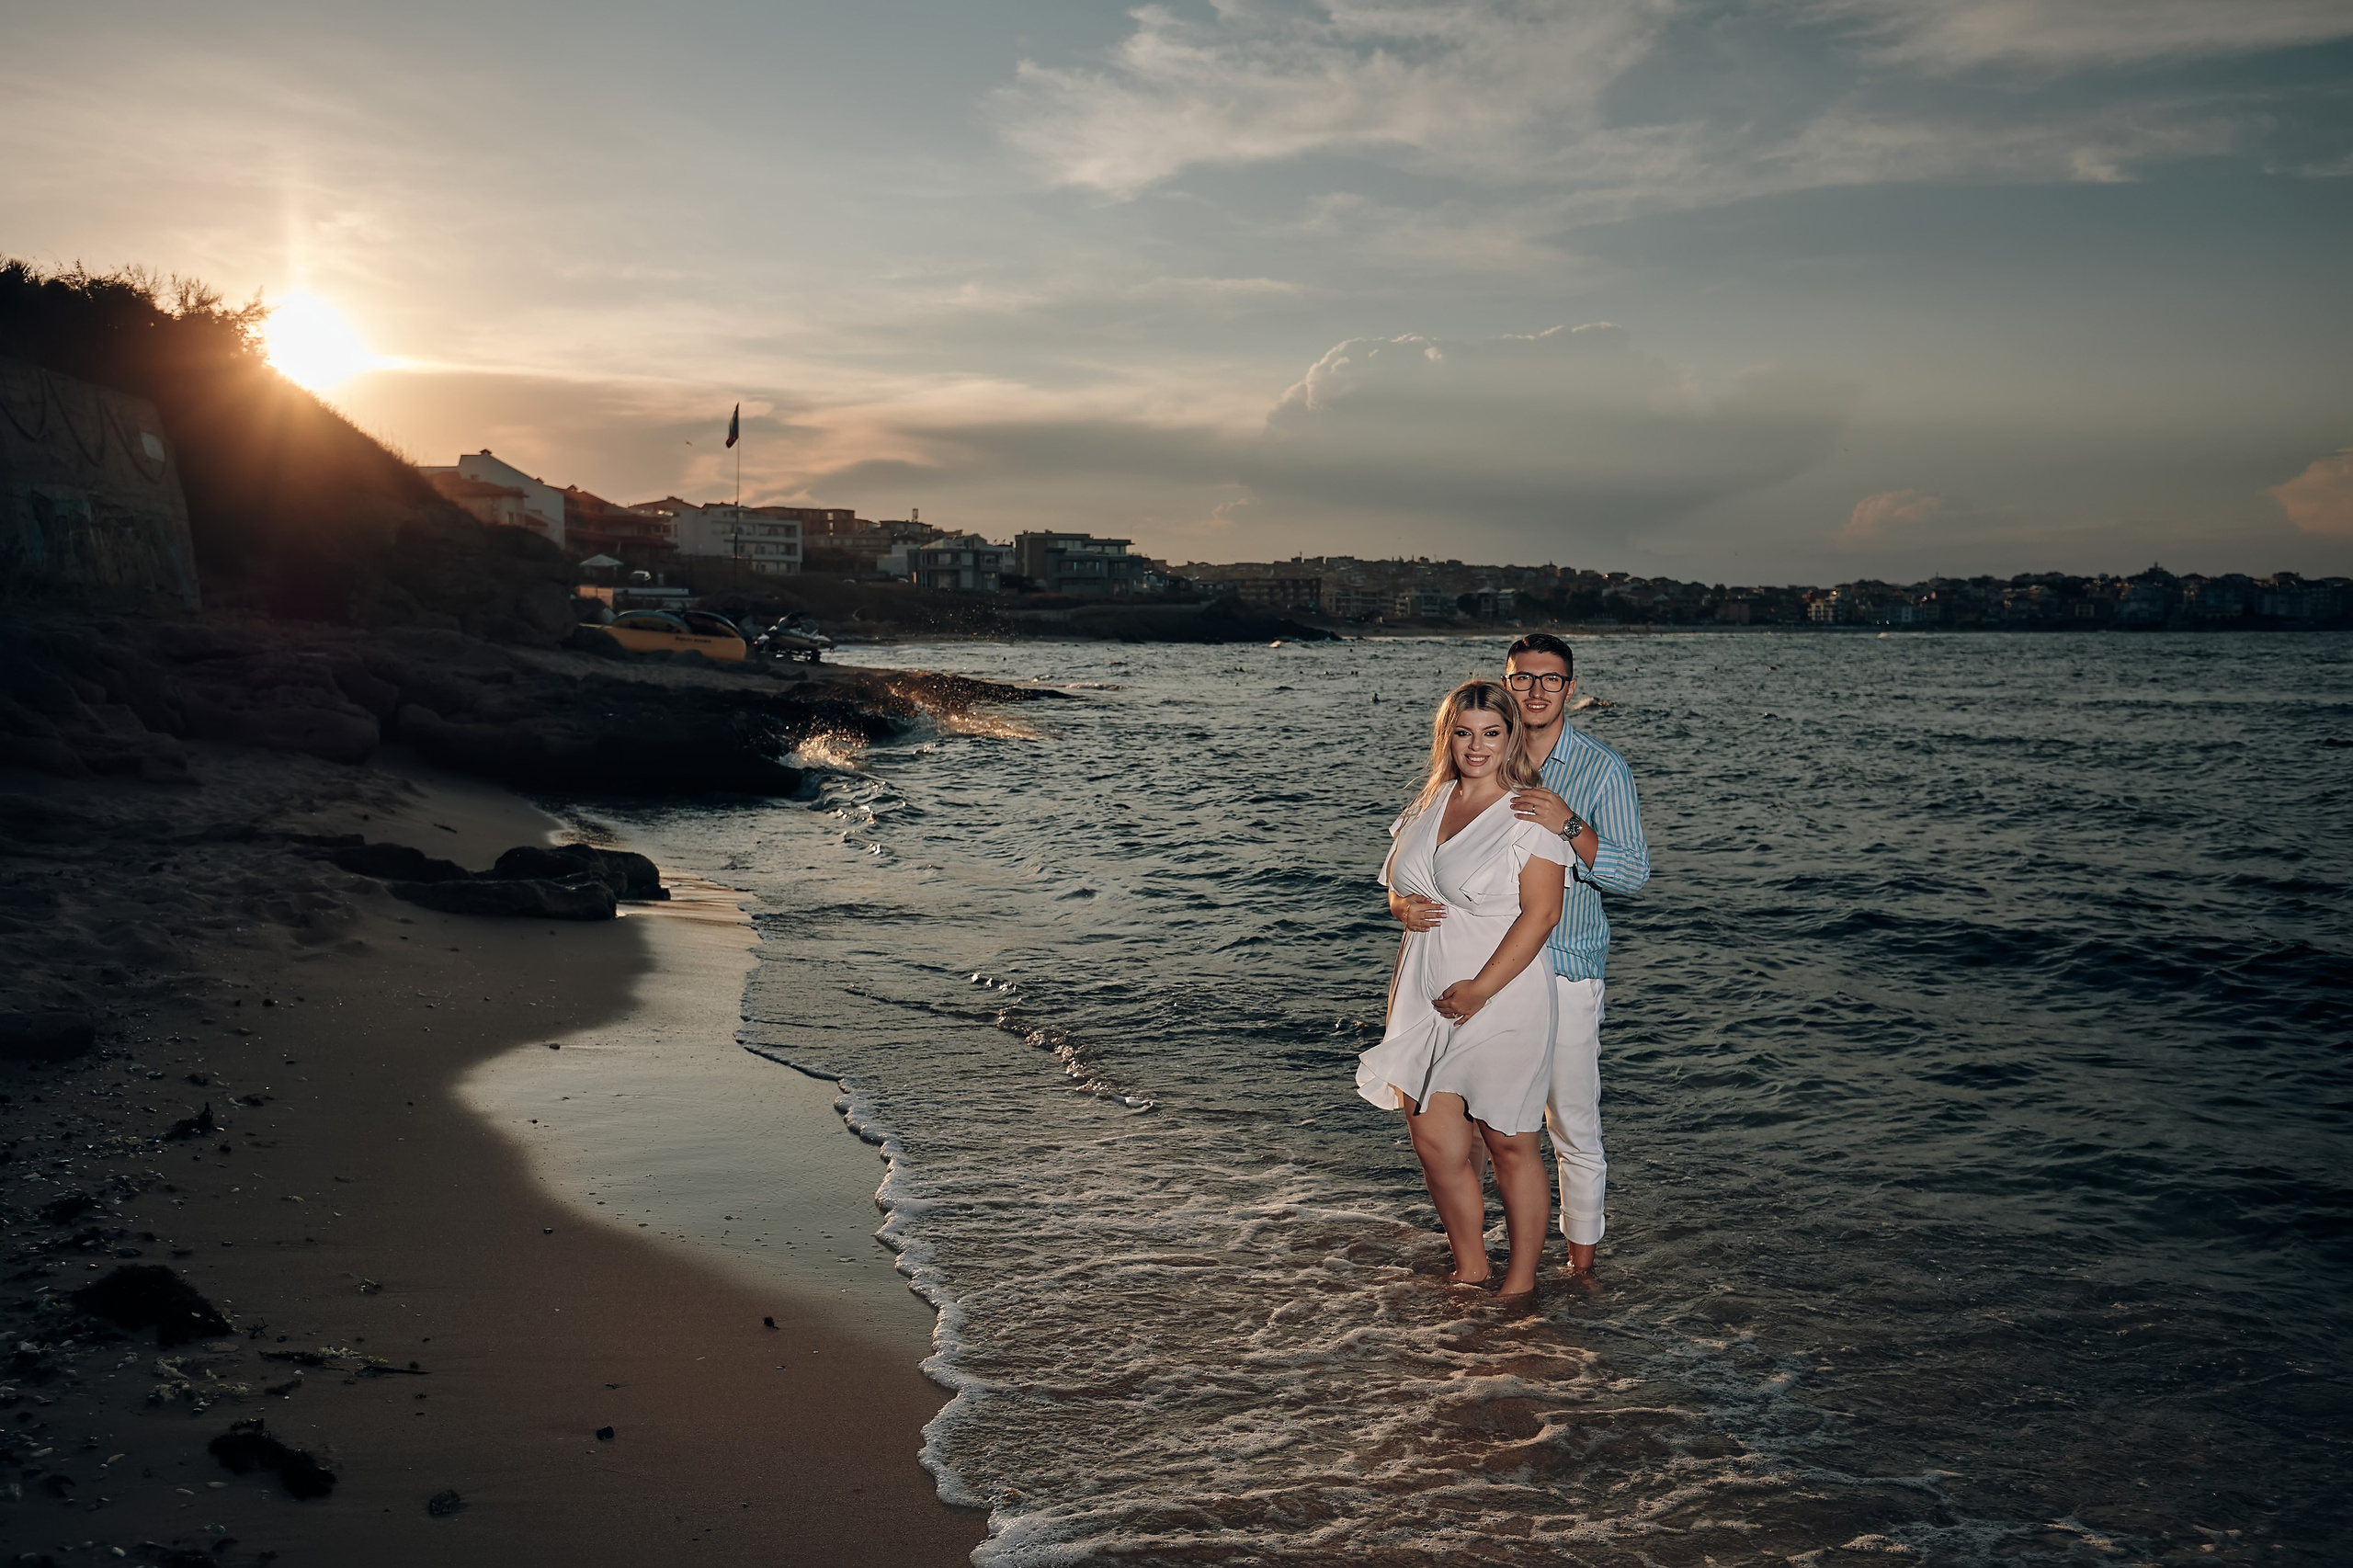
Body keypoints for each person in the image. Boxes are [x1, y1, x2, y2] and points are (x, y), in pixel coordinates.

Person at [1357, 681, 1568, 1308]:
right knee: (1435, 1141)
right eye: (1464, 733)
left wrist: (1479, 990)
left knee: (1508, 1140)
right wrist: (1402, 907)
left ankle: (1521, 1284)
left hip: (1503, 991)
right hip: (1424, 987)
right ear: (1447, 736)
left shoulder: (1530, 812)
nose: (1476, 746)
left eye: (1491, 733)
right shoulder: (1432, 801)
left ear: (1511, 738)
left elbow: (1542, 915)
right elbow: (1397, 883)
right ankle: (1471, 1268)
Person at [1496, 633, 1649, 1273]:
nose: (1535, 691)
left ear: (1570, 688)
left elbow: (1632, 874)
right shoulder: (1481, 753)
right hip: (1490, 974)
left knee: (1572, 1128)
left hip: (1565, 971)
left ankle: (1582, 1271)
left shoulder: (1602, 769)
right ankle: (1502, 1256)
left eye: (1549, 679)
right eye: (1522, 678)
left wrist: (1567, 821)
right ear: (1506, 684)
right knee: (1497, 1127)